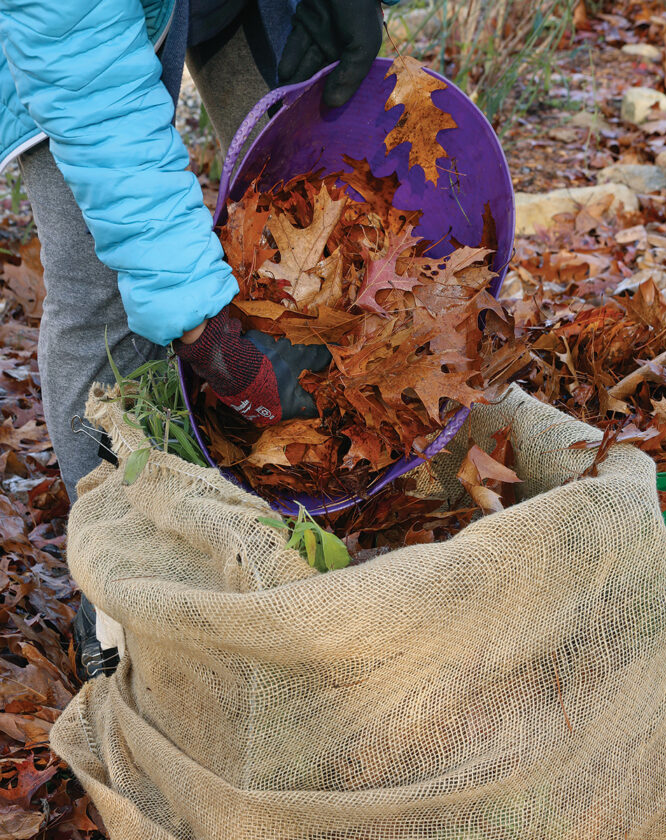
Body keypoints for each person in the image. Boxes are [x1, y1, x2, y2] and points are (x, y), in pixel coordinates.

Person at [0, 0, 397, 677]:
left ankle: (312, 507)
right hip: (65, 39)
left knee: (307, 192)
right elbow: (91, 87)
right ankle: (119, 583)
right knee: (102, 281)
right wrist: (217, 343)